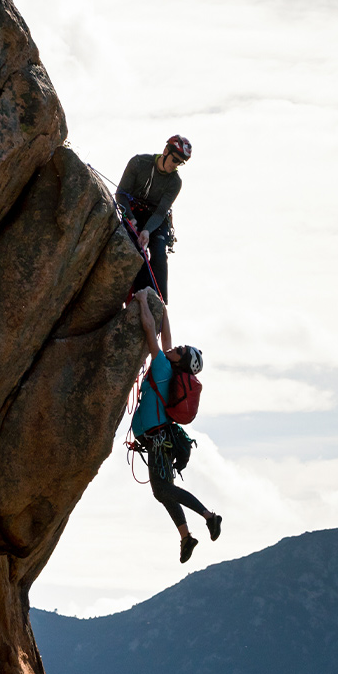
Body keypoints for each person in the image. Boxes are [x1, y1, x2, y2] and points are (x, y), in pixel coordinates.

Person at [133, 292, 220, 563]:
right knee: (163, 490)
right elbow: (166, 339)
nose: (176, 347)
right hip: (159, 438)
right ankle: (186, 537)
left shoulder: (161, 364)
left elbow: (150, 329)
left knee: (161, 490)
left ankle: (209, 516)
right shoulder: (169, 366)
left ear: (179, 361)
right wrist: (165, 312)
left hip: (158, 438)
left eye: (180, 351)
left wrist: (142, 302)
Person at [116, 135, 190, 302]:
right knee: (136, 249)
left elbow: (160, 212)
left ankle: (159, 302)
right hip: (133, 213)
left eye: (179, 162)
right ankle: (138, 296)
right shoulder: (138, 163)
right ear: (165, 151)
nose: (175, 165)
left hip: (156, 219)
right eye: (174, 159)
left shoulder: (175, 182)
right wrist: (131, 219)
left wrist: (147, 231)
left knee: (158, 253)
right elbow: (121, 194)